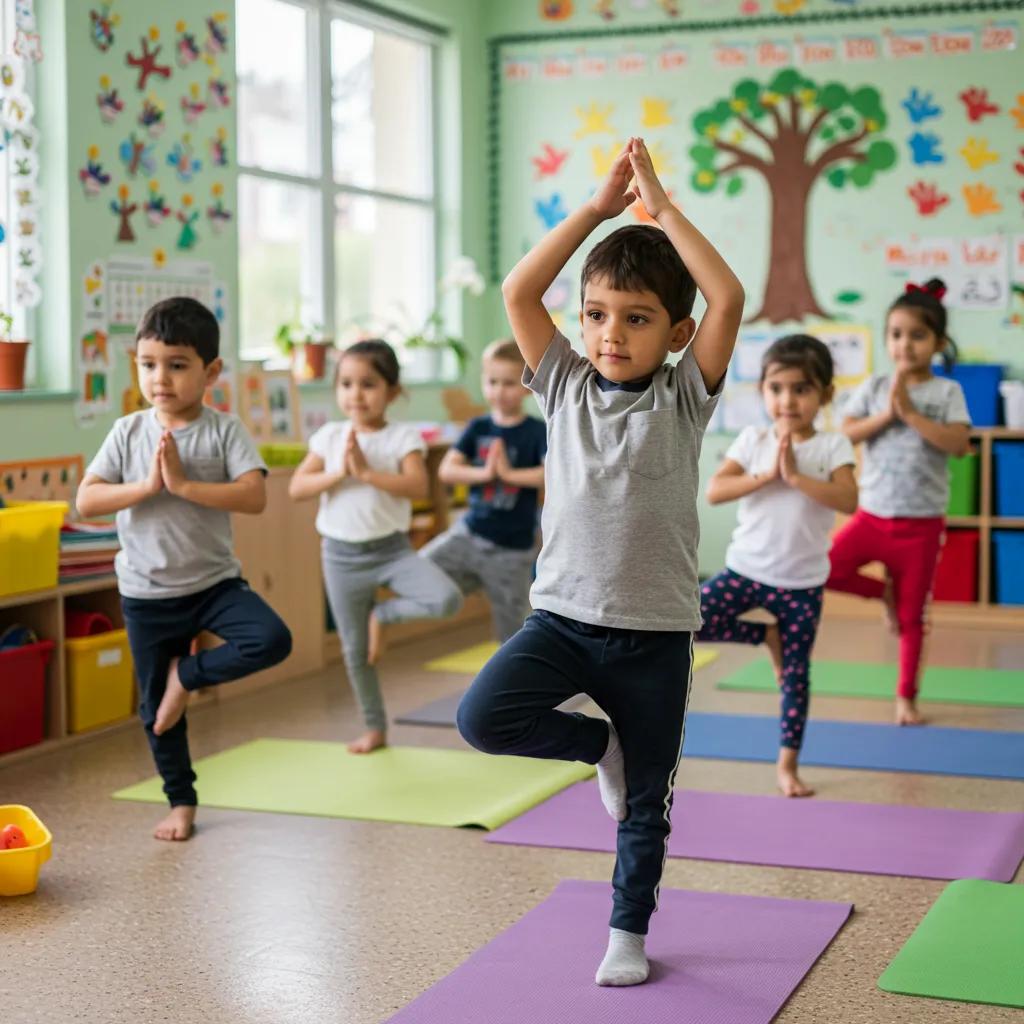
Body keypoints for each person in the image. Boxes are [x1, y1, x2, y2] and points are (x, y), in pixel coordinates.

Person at [456, 137, 744, 986]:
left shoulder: (685, 394)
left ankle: (628, 931)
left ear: (677, 331)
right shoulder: (564, 384)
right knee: (483, 719)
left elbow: (728, 292)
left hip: (654, 635)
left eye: (636, 316)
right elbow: (518, 291)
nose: (610, 333)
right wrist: (593, 210)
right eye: (596, 314)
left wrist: (658, 204)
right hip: (564, 622)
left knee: (647, 807)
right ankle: (597, 744)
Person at [77, 296, 292, 842]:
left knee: (271, 639)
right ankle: (181, 802)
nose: (161, 378)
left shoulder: (224, 431)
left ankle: (186, 676)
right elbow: (87, 501)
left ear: (211, 371)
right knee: (157, 715)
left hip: (214, 584)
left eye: (177, 365)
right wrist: (148, 487)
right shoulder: (128, 432)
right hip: (147, 594)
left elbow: (253, 497)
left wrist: (184, 486)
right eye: (149, 364)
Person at [698, 335, 857, 797]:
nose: (787, 400)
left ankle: (787, 766)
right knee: (683, 624)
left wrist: (797, 478)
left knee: (796, 677)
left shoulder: (832, 447)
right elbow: (716, 490)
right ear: (763, 392)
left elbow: (849, 499)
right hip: (745, 570)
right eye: (777, 388)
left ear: (825, 395)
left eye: (801, 389)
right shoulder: (753, 440)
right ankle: (764, 635)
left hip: (801, 585)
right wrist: (766, 475)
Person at [289, 340, 462, 753]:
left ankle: (383, 617)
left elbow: (417, 485)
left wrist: (365, 472)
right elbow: (298, 487)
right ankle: (375, 728)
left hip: (391, 552)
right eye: (346, 384)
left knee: (446, 599)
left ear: (393, 391)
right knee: (354, 651)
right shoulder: (329, 437)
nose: (355, 394)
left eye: (368, 384)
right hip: (340, 557)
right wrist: (337, 473)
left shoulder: (403, 438)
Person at [827, 278, 970, 725]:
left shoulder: (947, 392)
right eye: (896, 334)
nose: (904, 344)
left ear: (939, 343)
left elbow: (959, 444)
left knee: (913, 619)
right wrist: (888, 413)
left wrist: (911, 414)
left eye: (917, 334)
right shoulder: (876, 386)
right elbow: (846, 431)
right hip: (872, 515)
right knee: (824, 568)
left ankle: (906, 697)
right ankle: (883, 592)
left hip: (921, 525)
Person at [422, 338, 546, 642]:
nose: (500, 391)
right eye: (492, 382)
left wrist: (509, 474)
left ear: (528, 386)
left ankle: (519, 683)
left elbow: (550, 475)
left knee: (512, 633)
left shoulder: (536, 431)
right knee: (418, 570)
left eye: (509, 383)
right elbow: (447, 470)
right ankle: (476, 579)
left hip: (512, 551)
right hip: (470, 534)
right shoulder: (478, 428)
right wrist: (485, 473)